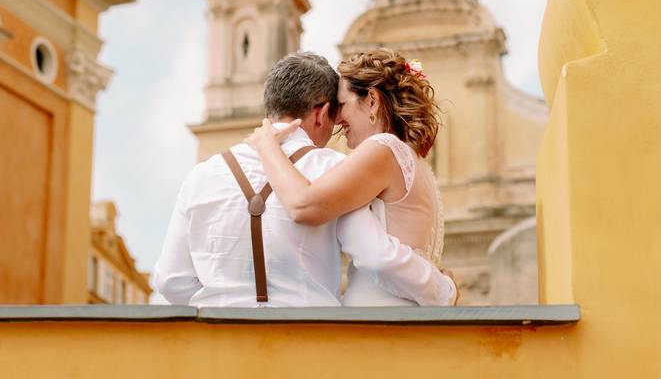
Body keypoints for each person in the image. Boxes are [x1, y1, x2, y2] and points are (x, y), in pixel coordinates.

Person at [153, 51, 455, 307]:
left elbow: (170, 280)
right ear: (322, 113)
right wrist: (443, 287)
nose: (338, 122)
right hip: (310, 340)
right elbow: (370, 250)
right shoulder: (332, 167)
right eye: (335, 110)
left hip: (219, 345)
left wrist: (226, 306)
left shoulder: (201, 175)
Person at [246, 48, 444, 306]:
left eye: (341, 104)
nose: (337, 119)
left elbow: (304, 204)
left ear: (371, 100)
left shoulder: (384, 148)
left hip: (378, 324)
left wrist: (266, 145)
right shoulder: (414, 162)